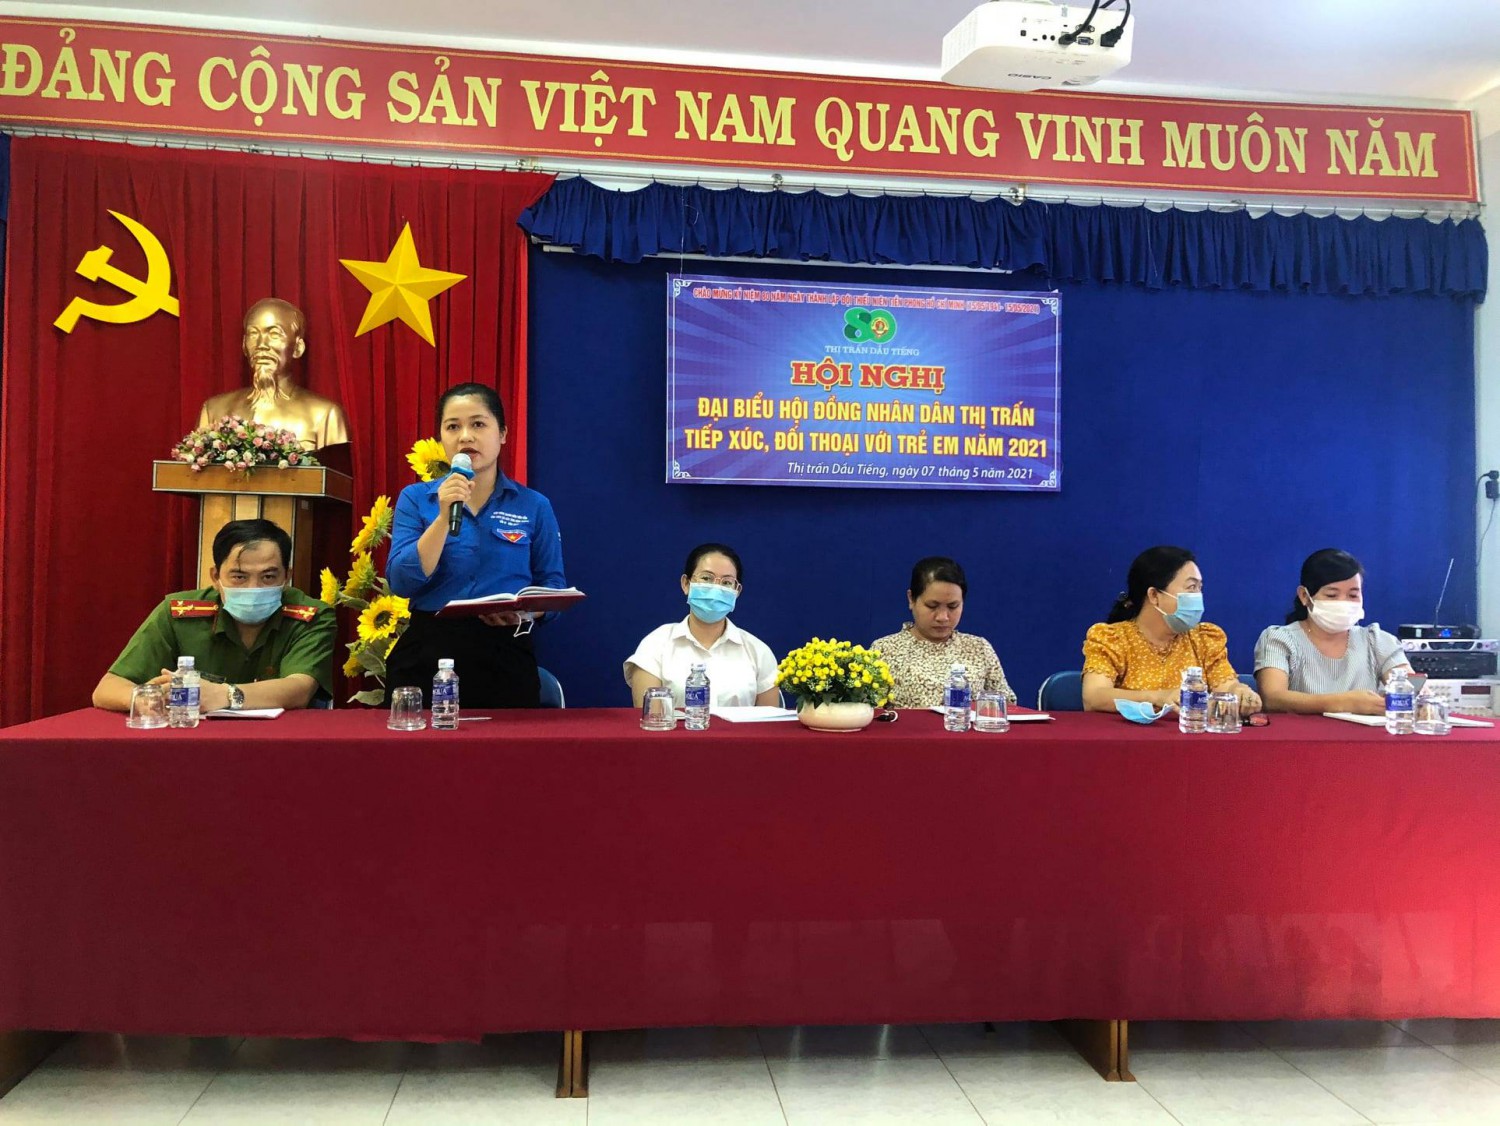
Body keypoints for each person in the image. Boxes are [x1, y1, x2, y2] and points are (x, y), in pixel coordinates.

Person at [386, 383, 565, 708]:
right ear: (441, 437)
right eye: (453, 426)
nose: (465, 436)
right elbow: (401, 582)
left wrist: (527, 611)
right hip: (428, 650)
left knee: (509, 742)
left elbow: (552, 584)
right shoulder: (416, 499)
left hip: (505, 652)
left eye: (478, 424)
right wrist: (443, 518)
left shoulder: (534, 505)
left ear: (503, 434)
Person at [93, 519, 334, 712]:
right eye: (239, 577)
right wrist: (146, 699)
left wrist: (223, 695)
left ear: (287, 577)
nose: (253, 588)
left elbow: (300, 689)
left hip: (280, 743)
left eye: (268, 577)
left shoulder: (312, 615)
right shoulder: (178, 612)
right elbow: (107, 688)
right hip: (193, 741)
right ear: (216, 577)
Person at [1082, 545, 1262, 714]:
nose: (1198, 596)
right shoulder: (1113, 639)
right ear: (1154, 595)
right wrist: (1158, 698)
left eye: (1200, 588)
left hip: (1190, 733)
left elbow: (1226, 686)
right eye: (1191, 587)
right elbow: (1094, 697)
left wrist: (1240, 692)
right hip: (1127, 735)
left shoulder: (1204, 640)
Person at [1254, 548, 1412, 714]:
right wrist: (1345, 703)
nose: (1343, 603)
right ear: (1304, 596)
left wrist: (1418, 701)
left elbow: (1411, 688)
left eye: (1353, 595)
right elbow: (1273, 698)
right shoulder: (1280, 639)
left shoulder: (1377, 640)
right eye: (1331, 595)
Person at [624, 543, 780, 708]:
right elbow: (650, 717)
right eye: (706, 578)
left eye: (727, 583)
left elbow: (769, 721)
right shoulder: (656, 645)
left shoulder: (758, 652)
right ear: (686, 583)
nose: (716, 589)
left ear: (737, 592)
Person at [198, 298, 351, 450]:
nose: (261, 345)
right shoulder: (214, 410)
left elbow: (335, 466)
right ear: (244, 345)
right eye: (253, 334)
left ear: (298, 347)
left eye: (274, 334)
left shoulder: (325, 415)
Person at [870, 556, 1016, 709]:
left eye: (953, 606)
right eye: (932, 606)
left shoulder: (979, 648)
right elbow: (869, 711)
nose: (943, 617)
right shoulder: (884, 650)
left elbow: (1007, 707)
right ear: (911, 599)